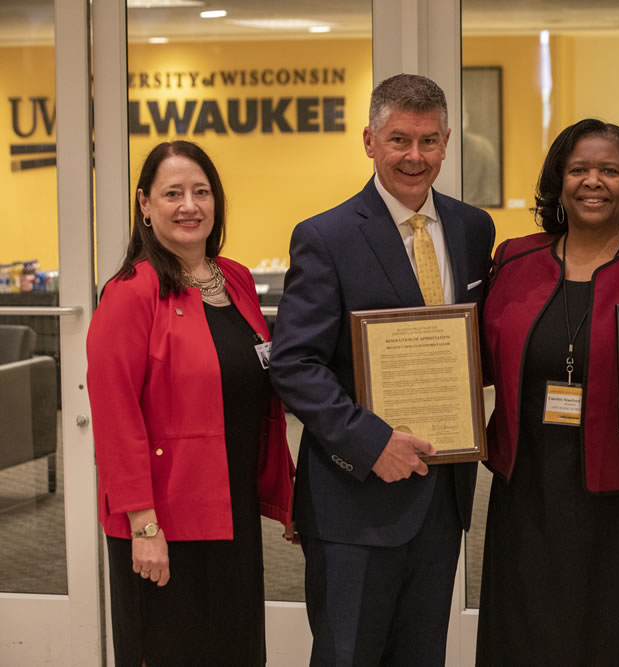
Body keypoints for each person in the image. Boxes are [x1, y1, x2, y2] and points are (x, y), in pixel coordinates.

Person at [268, 74, 495, 666]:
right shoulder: (325, 236)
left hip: (442, 496)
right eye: (399, 140)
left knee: (423, 656)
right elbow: (295, 363)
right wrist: (373, 444)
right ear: (369, 141)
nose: (414, 157)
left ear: (447, 142)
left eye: (427, 141)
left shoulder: (473, 229)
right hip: (354, 500)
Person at [476, 118, 619, 666]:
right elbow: (477, 359)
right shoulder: (512, 261)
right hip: (528, 492)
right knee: (527, 638)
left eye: (609, 170)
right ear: (559, 181)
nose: (593, 181)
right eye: (578, 169)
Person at [87, 140, 295, 666]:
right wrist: (144, 527)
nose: (190, 206)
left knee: (237, 649)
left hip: (231, 511)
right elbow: (116, 419)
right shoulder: (131, 292)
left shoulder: (237, 279)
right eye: (173, 193)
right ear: (145, 205)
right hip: (165, 521)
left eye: (201, 192)